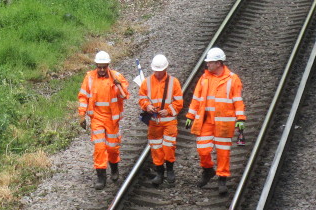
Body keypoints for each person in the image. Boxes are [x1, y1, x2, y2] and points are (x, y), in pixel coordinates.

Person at [185, 47, 246, 195]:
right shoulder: (204, 79)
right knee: (202, 149)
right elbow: (196, 99)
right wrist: (190, 116)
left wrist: (240, 118)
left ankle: (222, 179)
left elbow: (237, 100)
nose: (207, 65)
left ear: (219, 63)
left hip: (223, 123)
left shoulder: (232, 79)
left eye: (210, 63)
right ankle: (208, 170)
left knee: (223, 152)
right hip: (205, 122)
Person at [78, 51, 129, 189]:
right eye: (99, 67)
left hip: (112, 119)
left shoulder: (117, 77)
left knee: (112, 147)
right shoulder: (89, 77)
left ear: (108, 65)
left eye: (104, 67)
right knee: (99, 147)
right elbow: (83, 96)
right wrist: (82, 115)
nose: (101, 70)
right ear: (96, 65)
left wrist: (119, 86)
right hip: (97, 118)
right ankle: (101, 177)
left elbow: (125, 95)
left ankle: (114, 168)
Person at [138, 54, 184, 186]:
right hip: (154, 121)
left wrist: (168, 110)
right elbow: (142, 98)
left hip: (169, 121)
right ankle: (160, 173)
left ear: (165, 69)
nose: (158, 73)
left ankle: (170, 170)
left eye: (160, 70)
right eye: (156, 71)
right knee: (156, 148)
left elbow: (179, 102)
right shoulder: (146, 82)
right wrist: (148, 106)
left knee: (169, 146)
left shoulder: (173, 82)